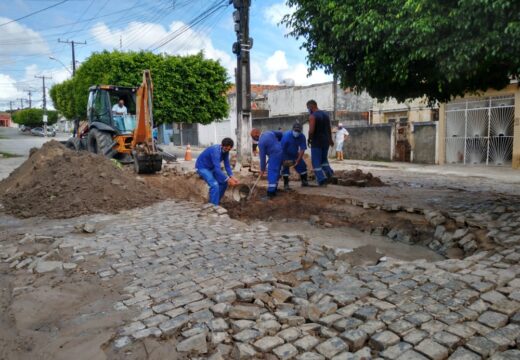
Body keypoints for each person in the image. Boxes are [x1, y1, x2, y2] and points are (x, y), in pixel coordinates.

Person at [195, 138, 239, 206]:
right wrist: (228, 179)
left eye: (229, 149)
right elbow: (217, 169)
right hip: (202, 167)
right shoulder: (215, 151)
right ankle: (213, 207)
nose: (227, 150)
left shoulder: (226, 151)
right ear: (222, 145)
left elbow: (227, 165)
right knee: (214, 185)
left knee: (224, 183)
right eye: (226, 148)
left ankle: (216, 202)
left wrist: (232, 176)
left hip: (211, 167)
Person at [307, 99, 334, 186]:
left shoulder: (313, 116)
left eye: (308, 108)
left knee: (316, 162)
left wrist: (309, 139)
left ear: (311, 107)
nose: (308, 110)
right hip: (325, 141)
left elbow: (311, 131)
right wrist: (330, 140)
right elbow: (329, 129)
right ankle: (330, 174)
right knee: (324, 160)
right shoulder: (326, 115)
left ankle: (321, 179)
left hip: (317, 142)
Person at [251, 128, 283, 199]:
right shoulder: (269, 132)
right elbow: (280, 133)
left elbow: (263, 158)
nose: (254, 139)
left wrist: (262, 169)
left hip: (274, 155)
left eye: (253, 137)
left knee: (271, 172)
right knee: (276, 172)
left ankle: (270, 194)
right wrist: (279, 142)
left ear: (256, 135)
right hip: (281, 152)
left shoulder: (261, 143)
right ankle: (274, 189)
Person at [281, 122, 309, 190]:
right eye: (295, 130)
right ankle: (286, 184)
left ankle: (304, 181)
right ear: (292, 129)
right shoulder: (286, 136)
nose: (297, 132)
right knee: (285, 167)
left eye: (298, 131)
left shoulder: (302, 136)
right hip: (286, 154)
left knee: (302, 165)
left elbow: (302, 149)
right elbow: (282, 149)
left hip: (295, 154)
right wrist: (283, 159)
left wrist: (298, 159)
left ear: (301, 131)